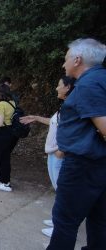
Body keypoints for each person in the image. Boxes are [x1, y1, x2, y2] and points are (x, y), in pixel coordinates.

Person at [47, 38, 106, 250]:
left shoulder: (88, 85)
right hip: (98, 165)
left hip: (84, 165)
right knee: (99, 219)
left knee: (65, 221)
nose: (64, 64)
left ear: (77, 59)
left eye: (66, 59)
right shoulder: (102, 79)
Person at [20, 76, 75, 237]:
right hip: (52, 153)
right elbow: (54, 123)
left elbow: (74, 131)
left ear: (68, 87)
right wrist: (36, 118)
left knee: (63, 191)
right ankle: (57, 219)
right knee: (58, 189)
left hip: (59, 154)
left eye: (59, 85)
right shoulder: (64, 106)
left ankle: (61, 227)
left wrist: (61, 150)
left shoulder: (72, 107)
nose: (57, 88)